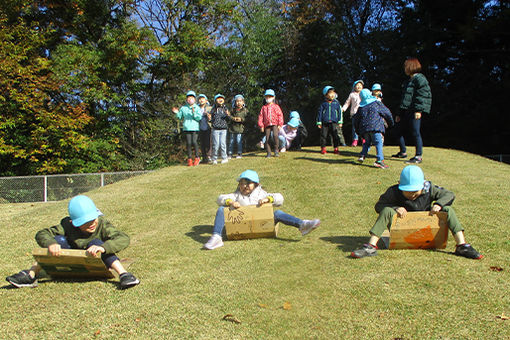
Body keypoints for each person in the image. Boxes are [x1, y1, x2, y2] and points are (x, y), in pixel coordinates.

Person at [5, 195, 140, 289]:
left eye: (93, 219)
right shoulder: (66, 225)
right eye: (86, 222)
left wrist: (104, 248)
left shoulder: (102, 224)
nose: (92, 224)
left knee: (97, 243)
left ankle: (124, 274)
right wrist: (51, 244)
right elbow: (42, 234)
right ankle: (31, 274)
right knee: (58, 240)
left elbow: (123, 238)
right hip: (71, 260)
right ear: (74, 223)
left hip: (96, 258)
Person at [351, 166, 483, 259]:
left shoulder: (429, 189)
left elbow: (449, 194)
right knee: (386, 210)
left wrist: (438, 204)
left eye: (415, 191)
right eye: (407, 191)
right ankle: (371, 246)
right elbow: (379, 205)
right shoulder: (393, 191)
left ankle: (462, 245)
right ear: (400, 186)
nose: (412, 195)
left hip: (426, 226)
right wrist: (395, 207)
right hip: (401, 226)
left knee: (448, 210)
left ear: (422, 186)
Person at [203, 170, 321, 250]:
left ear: (256, 184)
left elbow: (280, 198)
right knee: (221, 209)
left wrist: (268, 199)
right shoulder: (237, 195)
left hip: (262, 224)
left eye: (248, 183)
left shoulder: (261, 194)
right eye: (242, 183)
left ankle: (302, 225)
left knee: (278, 213)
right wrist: (231, 202)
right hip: (241, 225)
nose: (244, 186)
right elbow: (220, 198)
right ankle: (216, 237)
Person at [392, 57, 432, 164]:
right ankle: (403, 152)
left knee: (415, 132)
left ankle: (418, 156)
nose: (404, 68)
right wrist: (399, 113)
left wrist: (419, 110)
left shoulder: (420, 79)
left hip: (415, 111)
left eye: (406, 66)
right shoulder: (408, 81)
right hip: (406, 111)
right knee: (397, 131)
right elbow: (405, 99)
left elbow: (423, 95)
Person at [353, 89, 394, 169]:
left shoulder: (361, 107)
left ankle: (362, 155)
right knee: (378, 143)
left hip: (365, 129)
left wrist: (358, 131)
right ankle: (379, 161)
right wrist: (391, 123)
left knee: (367, 143)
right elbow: (387, 113)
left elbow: (356, 120)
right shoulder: (376, 103)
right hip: (376, 128)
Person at [173, 91, 202, 166]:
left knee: (194, 142)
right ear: (186, 99)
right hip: (186, 127)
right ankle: (189, 159)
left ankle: (197, 158)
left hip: (195, 127)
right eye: (188, 98)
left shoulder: (197, 107)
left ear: (195, 99)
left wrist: (194, 112)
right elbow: (179, 117)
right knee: (188, 143)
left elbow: (199, 118)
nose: (190, 99)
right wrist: (176, 112)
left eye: (192, 98)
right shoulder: (183, 108)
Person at [317, 86, 343, 154]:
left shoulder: (336, 103)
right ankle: (323, 148)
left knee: (335, 135)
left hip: (334, 122)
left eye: (333, 93)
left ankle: (336, 148)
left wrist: (340, 121)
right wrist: (319, 122)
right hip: (325, 122)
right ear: (326, 95)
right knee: (323, 136)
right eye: (330, 93)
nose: (332, 94)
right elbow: (319, 113)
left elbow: (340, 112)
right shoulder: (323, 104)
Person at [258, 89, 284, 158]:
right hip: (267, 125)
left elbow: (280, 115)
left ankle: (276, 150)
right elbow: (261, 116)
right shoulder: (263, 107)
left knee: (275, 136)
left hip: (275, 124)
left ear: (273, 97)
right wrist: (261, 125)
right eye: (267, 97)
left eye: (270, 96)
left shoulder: (276, 106)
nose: (268, 98)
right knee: (267, 138)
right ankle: (268, 152)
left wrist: (280, 124)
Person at [210, 94, 230, 164]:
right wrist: (209, 118)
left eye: (221, 98)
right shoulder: (213, 109)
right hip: (215, 129)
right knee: (216, 144)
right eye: (218, 98)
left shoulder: (225, 108)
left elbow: (228, 119)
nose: (220, 100)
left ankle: (224, 157)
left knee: (223, 144)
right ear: (215, 101)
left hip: (223, 129)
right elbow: (211, 119)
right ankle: (214, 158)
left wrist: (228, 115)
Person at [342, 80, 364, 146]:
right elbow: (347, 103)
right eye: (357, 85)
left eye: (360, 85)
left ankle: (364, 139)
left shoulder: (364, 93)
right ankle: (355, 140)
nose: (358, 87)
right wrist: (343, 109)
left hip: (363, 113)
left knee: (363, 127)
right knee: (355, 128)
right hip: (354, 113)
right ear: (354, 87)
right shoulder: (352, 94)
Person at [228, 94, 248, 159]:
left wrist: (241, 119)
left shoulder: (245, 110)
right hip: (232, 129)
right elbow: (229, 116)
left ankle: (239, 153)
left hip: (240, 129)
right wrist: (233, 118)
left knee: (239, 141)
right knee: (231, 141)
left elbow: (248, 119)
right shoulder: (232, 110)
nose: (239, 103)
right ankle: (230, 154)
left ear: (243, 102)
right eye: (237, 101)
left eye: (240, 101)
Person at [198, 94, 212, 163]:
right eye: (200, 99)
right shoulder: (196, 108)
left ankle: (209, 156)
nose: (201, 100)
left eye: (203, 98)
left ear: (206, 100)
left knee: (208, 143)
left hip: (208, 127)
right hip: (200, 128)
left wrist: (208, 116)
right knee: (202, 144)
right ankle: (204, 158)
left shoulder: (210, 108)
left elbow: (212, 117)